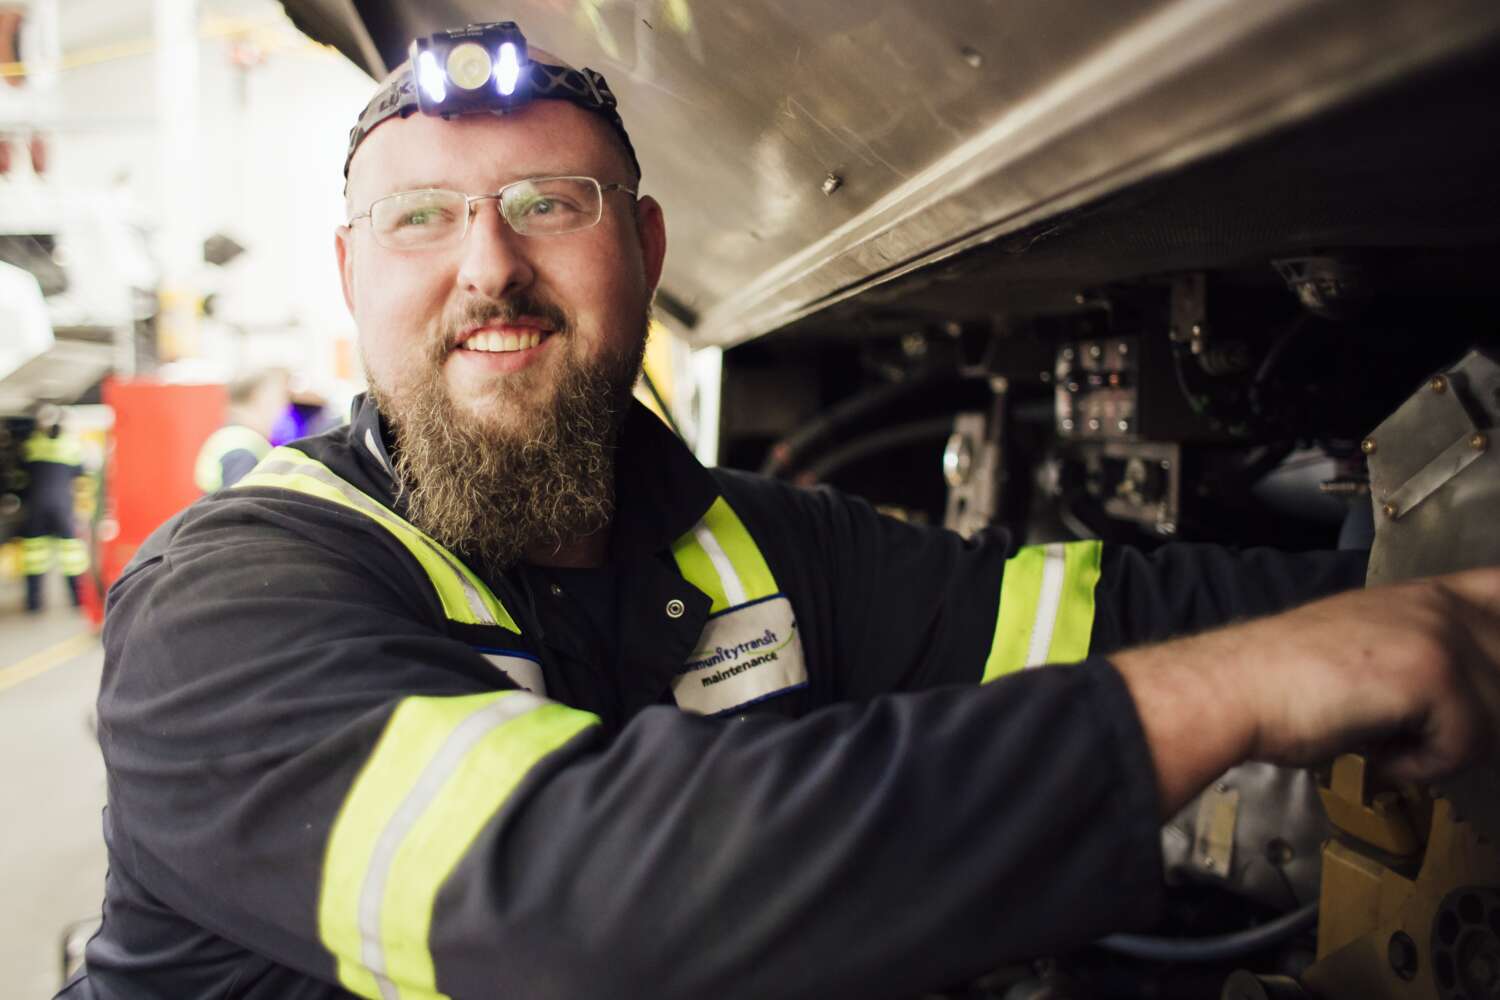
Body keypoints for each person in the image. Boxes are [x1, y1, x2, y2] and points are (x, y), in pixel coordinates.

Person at [62, 22, 1500, 1000]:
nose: (487, 267)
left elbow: (1091, 617)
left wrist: (1421, 605)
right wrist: (1243, 695)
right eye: (421, 220)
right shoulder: (233, 605)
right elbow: (572, 900)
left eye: (549, 203)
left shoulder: (743, 544)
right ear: (351, 273)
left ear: (645, 246)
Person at [18, 404, 89, 613]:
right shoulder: (72, 447)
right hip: (62, 508)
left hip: (36, 507)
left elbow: (21, 475)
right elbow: (81, 477)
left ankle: (33, 604)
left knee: (34, 558)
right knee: (72, 557)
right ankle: (77, 600)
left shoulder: (32, 445)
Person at [192, 368, 290, 492]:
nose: (285, 406)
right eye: (281, 397)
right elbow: (238, 506)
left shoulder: (231, 437)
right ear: (258, 396)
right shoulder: (243, 446)